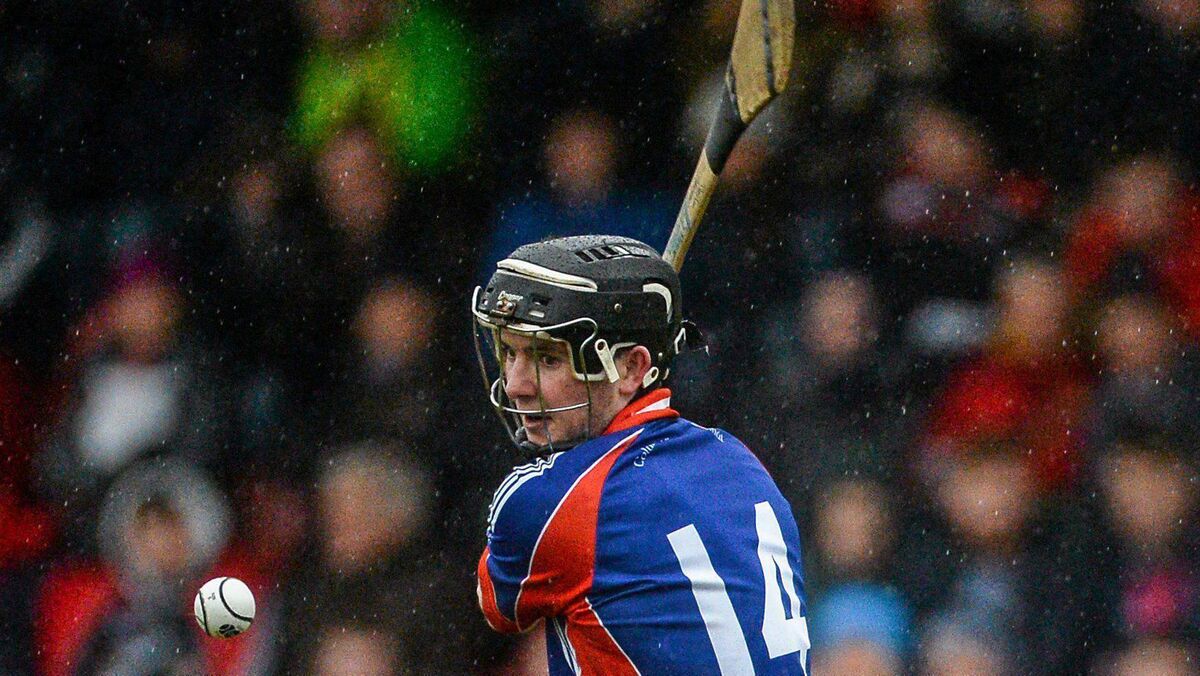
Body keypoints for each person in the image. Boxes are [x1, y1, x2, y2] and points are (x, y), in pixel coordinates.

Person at [472, 235, 811, 674]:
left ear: (631, 368)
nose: (516, 384)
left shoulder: (548, 502)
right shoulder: (741, 461)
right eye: (508, 352)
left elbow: (499, 608)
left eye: (546, 358)